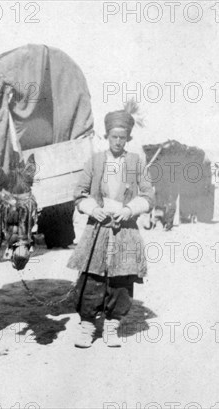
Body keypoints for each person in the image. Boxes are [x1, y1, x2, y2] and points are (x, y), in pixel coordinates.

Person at [67, 108, 154, 348]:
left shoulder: (136, 163)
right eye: (113, 137)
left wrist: (129, 210)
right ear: (107, 136)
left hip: (126, 230)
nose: (117, 141)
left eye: (122, 137)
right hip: (98, 229)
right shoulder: (95, 161)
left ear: (128, 139)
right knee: (91, 278)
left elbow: (148, 195)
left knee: (121, 280)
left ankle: (112, 326)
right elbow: (79, 193)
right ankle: (87, 327)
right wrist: (92, 208)